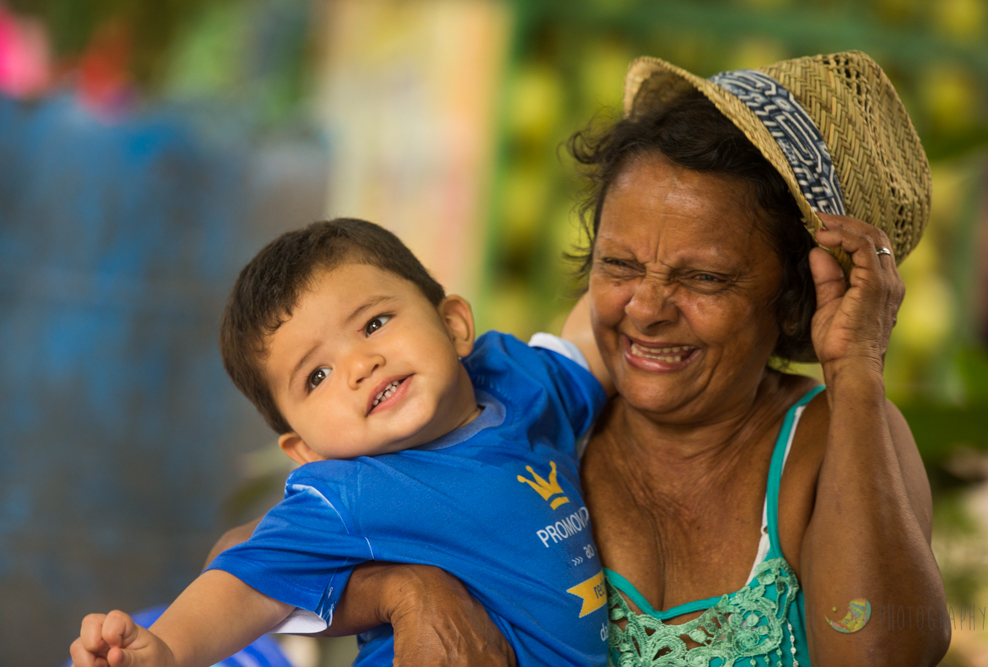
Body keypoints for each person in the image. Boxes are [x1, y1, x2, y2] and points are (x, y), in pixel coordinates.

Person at [212, 51, 946, 666]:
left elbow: (884, 654)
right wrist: (406, 588)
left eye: (705, 278)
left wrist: (856, 372)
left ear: (793, 297)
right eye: (619, 264)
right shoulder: (546, 414)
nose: (648, 307)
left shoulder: (836, 438)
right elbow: (248, 551)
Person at [70, 219, 617, 667]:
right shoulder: (352, 492)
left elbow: (593, 334)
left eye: (374, 323)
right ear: (306, 450)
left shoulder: (519, 382)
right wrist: (168, 651)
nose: (360, 366)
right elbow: (244, 580)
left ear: (453, 324)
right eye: (316, 376)